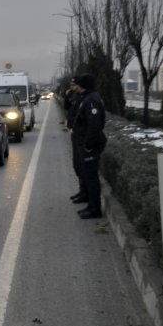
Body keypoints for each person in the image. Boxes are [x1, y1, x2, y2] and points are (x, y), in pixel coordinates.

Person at [70, 73, 107, 219]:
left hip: (90, 145)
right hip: (83, 142)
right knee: (86, 175)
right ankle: (90, 205)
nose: (75, 86)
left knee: (91, 178)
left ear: (83, 85)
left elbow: (94, 125)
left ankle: (94, 209)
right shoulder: (86, 98)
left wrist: (88, 146)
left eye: (77, 84)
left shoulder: (91, 100)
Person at [65, 77, 87, 204]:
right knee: (77, 166)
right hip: (75, 134)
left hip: (80, 136)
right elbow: (68, 109)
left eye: (74, 85)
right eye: (72, 85)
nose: (72, 87)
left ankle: (85, 194)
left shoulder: (84, 98)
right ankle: (82, 191)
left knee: (81, 167)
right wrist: (67, 96)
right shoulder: (75, 96)